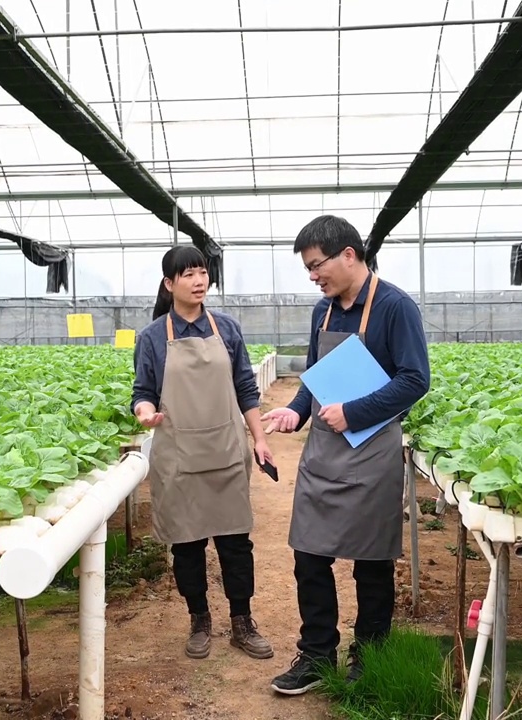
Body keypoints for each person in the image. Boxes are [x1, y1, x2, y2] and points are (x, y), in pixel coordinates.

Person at [261, 215, 430, 695]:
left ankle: (369, 655)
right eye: (310, 269)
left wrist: (354, 412)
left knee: (371, 562)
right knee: (308, 555)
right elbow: (315, 374)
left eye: (317, 266)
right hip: (323, 454)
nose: (314, 276)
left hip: (371, 450)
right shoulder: (324, 312)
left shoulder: (395, 307)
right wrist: (296, 411)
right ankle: (316, 655)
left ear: (349, 255)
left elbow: (415, 380)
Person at [131, 245, 276, 661]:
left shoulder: (227, 329)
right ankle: (199, 619)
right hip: (179, 455)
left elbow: (246, 389)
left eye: (203, 273)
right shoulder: (153, 337)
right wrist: (145, 412)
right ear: (169, 283)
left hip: (226, 451)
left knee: (235, 544)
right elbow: (143, 392)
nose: (199, 281)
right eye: (189, 274)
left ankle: (242, 622)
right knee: (186, 545)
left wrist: (260, 438)